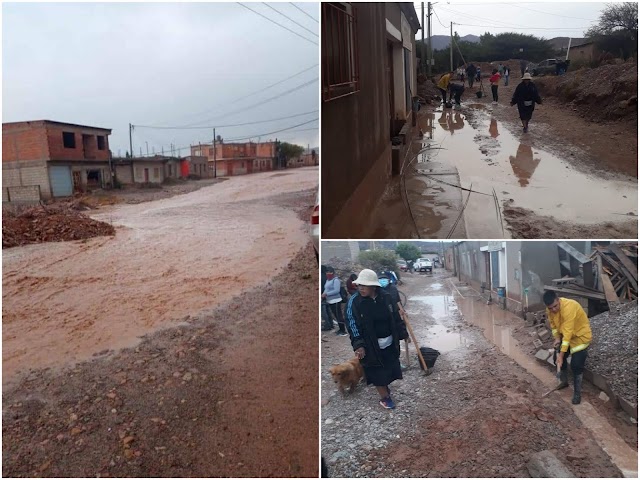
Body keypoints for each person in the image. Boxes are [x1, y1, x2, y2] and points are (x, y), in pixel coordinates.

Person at [346, 269, 409, 409]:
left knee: (388, 368)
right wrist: (358, 344)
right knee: (376, 373)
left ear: (374, 286)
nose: (360, 288)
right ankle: (385, 398)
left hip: (389, 342)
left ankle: (385, 388)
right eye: (359, 285)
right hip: (370, 346)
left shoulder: (386, 298)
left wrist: (403, 333)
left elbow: (395, 318)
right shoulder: (354, 302)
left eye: (364, 285)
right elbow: (352, 324)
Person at [543, 290, 592, 404]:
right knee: (558, 360)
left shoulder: (570, 307)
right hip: (566, 337)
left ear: (558, 299)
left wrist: (561, 353)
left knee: (576, 365)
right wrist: (556, 338)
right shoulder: (549, 310)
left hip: (580, 337)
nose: (553, 310)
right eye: (550, 308)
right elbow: (554, 326)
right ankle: (564, 382)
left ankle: (577, 393)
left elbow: (568, 332)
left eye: (555, 306)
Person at [322, 266, 348, 336]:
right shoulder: (328, 280)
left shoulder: (336, 280)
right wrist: (323, 294)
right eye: (327, 272)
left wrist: (326, 294)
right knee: (336, 316)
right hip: (330, 301)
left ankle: (343, 331)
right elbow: (326, 288)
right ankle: (340, 329)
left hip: (336, 301)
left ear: (333, 272)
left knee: (339, 315)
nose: (328, 273)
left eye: (329, 272)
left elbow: (336, 291)